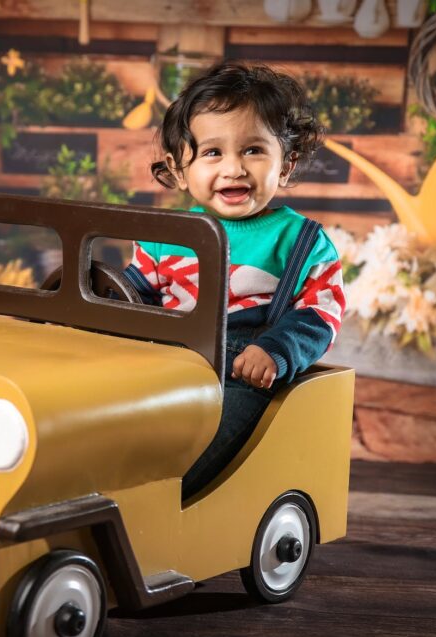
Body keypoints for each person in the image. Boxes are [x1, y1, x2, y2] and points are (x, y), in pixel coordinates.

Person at [123, 61, 346, 501]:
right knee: (111, 421)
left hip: (241, 376)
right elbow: (131, 295)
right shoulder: (164, 238)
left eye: (253, 150)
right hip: (164, 370)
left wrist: (276, 351)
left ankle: (162, 504)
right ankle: (106, 488)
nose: (234, 169)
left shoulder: (302, 242)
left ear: (286, 165)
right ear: (179, 169)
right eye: (212, 153)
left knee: (200, 448)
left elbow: (321, 312)